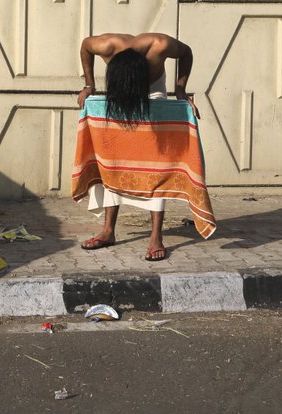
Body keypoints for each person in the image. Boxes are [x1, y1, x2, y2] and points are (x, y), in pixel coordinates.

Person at [76, 33, 196, 262]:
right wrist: (89, 85)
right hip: (121, 96)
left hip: (154, 96)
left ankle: (156, 237)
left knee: (155, 164)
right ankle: (108, 230)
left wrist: (180, 90)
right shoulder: (105, 45)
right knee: (112, 158)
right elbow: (85, 47)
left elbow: (187, 52)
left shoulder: (159, 45)